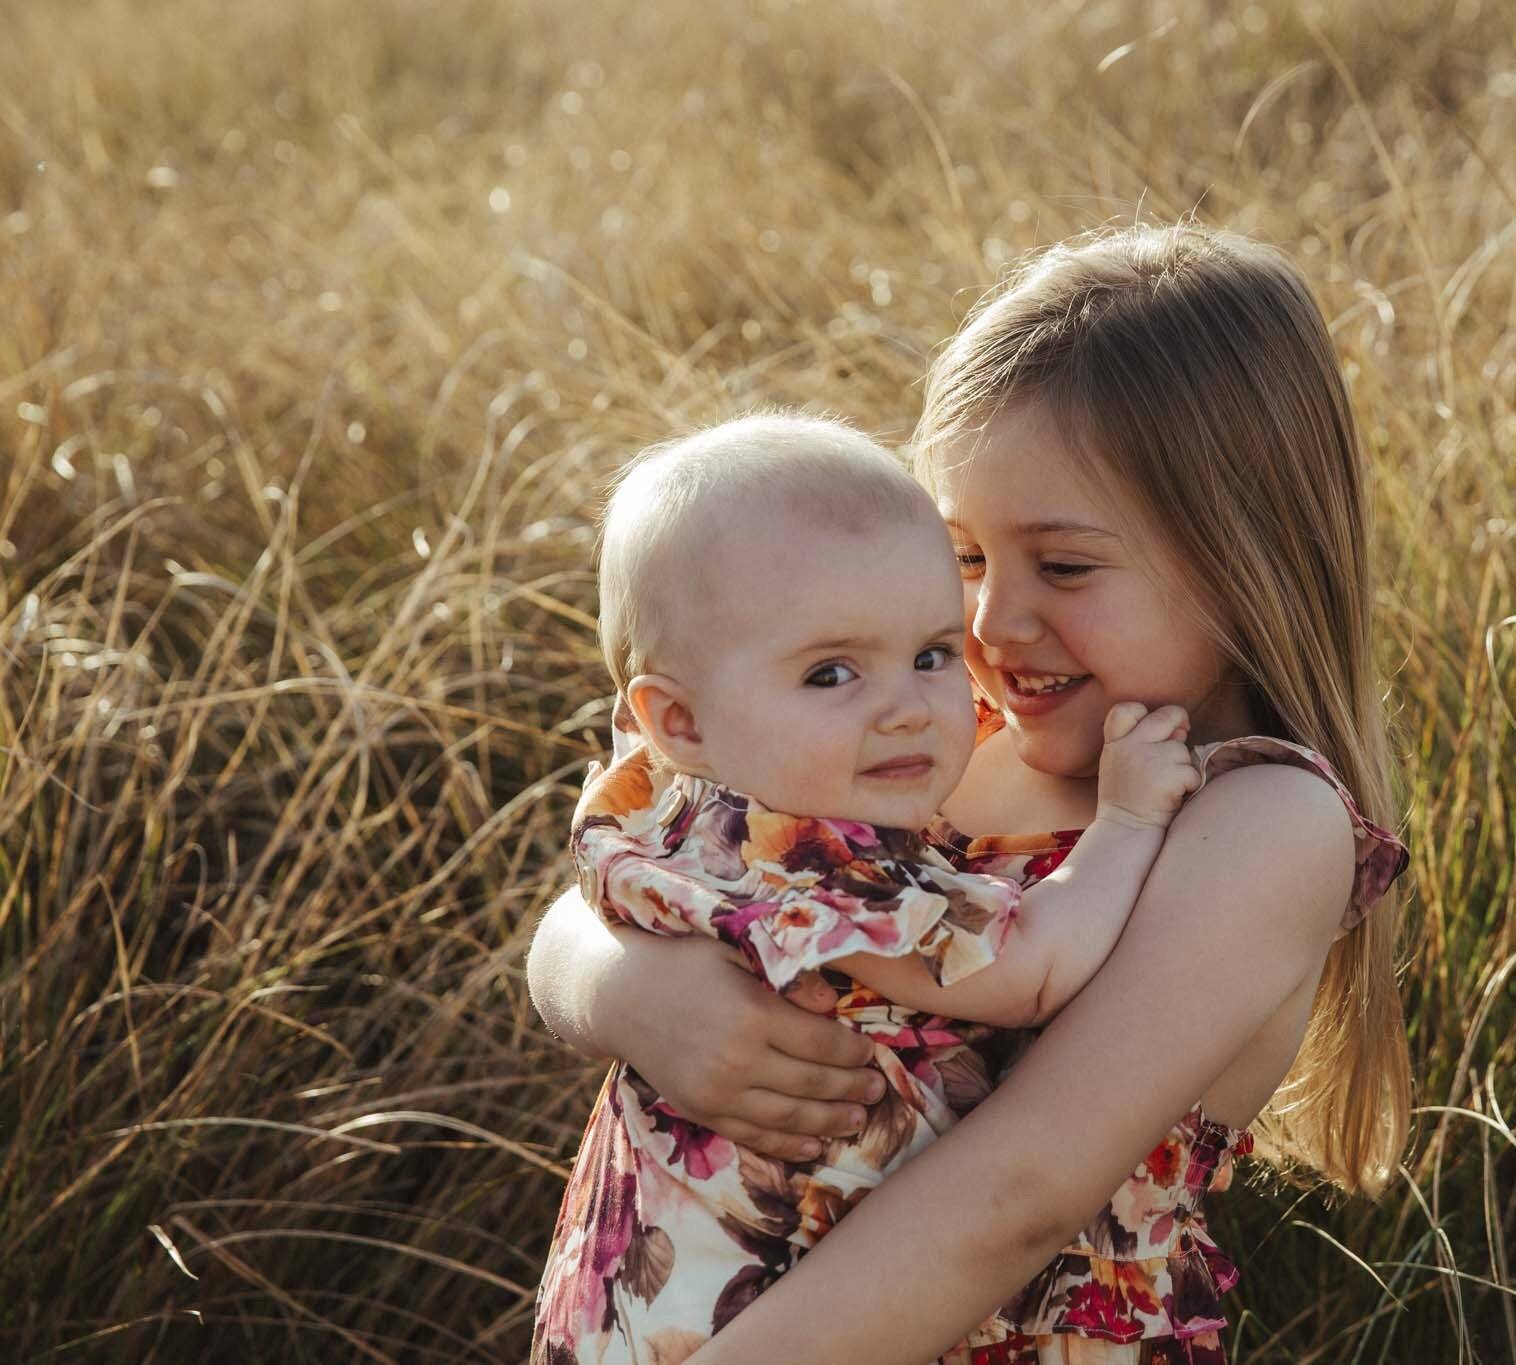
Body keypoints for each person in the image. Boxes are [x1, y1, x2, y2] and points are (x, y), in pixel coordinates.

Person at [527, 222, 1415, 1364]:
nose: (990, 627)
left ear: (1245, 557)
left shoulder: (1254, 823)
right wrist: (622, 995)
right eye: (967, 557)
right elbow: (624, 875)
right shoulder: (929, 722)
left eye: (1064, 565)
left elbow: (1020, 1196)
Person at [530, 413, 1203, 1364]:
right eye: (831, 672)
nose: (905, 706)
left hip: (663, 1290)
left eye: (930, 653)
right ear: (677, 718)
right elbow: (1024, 970)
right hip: (747, 1318)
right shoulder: (799, 847)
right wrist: (1129, 822)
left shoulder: (665, 798)